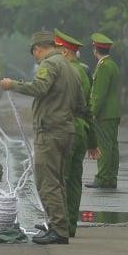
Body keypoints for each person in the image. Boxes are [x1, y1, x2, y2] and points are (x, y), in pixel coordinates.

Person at [0, 30, 86, 245]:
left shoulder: (49, 64)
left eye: (34, 54)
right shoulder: (72, 67)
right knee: (58, 181)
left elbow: (40, 87)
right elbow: (81, 104)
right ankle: (59, 223)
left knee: (47, 182)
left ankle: (58, 229)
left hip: (49, 131)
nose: (36, 58)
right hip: (66, 130)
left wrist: (13, 85)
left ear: (38, 49)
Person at [53, 29, 99, 238]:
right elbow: (87, 109)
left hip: (66, 128)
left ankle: (59, 226)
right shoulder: (84, 70)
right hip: (81, 130)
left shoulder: (65, 71)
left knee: (60, 178)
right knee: (73, 180)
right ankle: (70, 224)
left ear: (64, 52)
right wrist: (92, 142)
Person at [85, 32, 121, 190]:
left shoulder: (104, 67)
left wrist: (91, 113)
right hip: (113, 112)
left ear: (95, 48)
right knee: (112, 146)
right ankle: (111, 177)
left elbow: (99, 94)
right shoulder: (112, 64)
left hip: (104, 114)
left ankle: (103, 178)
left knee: (104, 147)